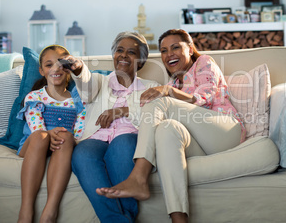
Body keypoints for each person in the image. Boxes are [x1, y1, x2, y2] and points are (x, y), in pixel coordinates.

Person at [97, 29, 245, 223]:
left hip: (225, 131)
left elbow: (203, 97)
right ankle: (178, 217)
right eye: (164, 50)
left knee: (160, 100)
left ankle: (139, 175)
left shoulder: (204, 62)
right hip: (200, 142)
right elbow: (151, 112)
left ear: (190, 49)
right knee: (167, 129)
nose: (169, 54)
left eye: (176, 47)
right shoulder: (174, 82)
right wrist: (166, 91)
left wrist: (168, 92)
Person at [69, 32, 160, 223]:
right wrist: (78, 69)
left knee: (123, 145)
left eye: (132, 52)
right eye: (120, 50)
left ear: (141, 61)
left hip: (128, 135)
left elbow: (156, 113)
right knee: (82, 154)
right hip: (96, 136)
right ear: (113, 55)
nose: (124, 55)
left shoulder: (151, 86)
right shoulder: (99, 81)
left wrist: (121, 111)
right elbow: (86, 88)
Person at [17, 45, 86, 223]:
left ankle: (50, 211)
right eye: (49, 65)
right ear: (41, 71)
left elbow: (79, 131)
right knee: (42, 136)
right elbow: (36, 127)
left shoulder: (76, 101)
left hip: (61, 146)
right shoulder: (34, 97)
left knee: (67, 136)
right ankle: (26, 210)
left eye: (61, 64)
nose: (55, 69)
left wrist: (69, 138)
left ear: (69, 68)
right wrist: (48, 132)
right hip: (34, 145)